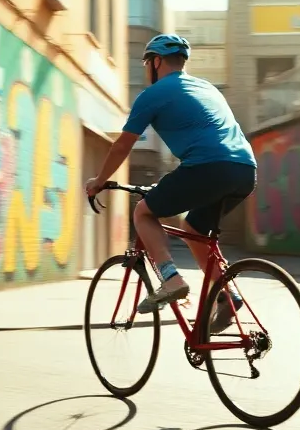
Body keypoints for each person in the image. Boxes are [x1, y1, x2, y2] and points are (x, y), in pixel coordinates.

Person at [84, 33, 257, 334]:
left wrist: (99, 181)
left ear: (156, 62)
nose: (146, 69)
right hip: (244, 170)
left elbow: (122, 146)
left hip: (207, 168)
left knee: (143, 213)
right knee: (194, 230)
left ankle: (171, 278)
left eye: (146, 63)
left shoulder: (154, 94)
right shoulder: (208, 88)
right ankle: (229, 296)